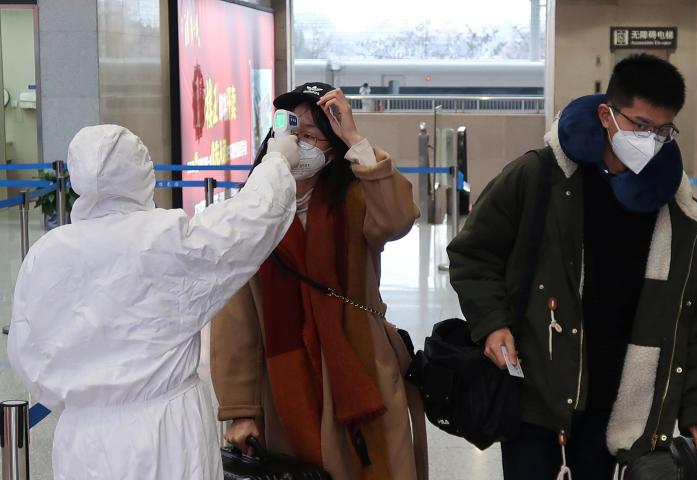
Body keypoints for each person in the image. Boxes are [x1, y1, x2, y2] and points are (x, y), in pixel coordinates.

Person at [447, 54, 697, 479]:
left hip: (623, 409)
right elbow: (473, 253)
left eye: (663, 130)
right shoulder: (539, 177)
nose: (650, 139)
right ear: (606, 114)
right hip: (538, 399)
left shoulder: (674, 207)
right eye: (640, 126)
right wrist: (492, 322)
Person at [7, 124, 300, 479]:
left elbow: (27, 354)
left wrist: (87, 398)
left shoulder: (47, 254)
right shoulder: (163, 239)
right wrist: (278, 160)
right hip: (166, 431)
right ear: (139, 173)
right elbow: (247, 223)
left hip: (83, 438)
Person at [210, 82, 425, 480]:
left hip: (363, 370)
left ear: (331, 151)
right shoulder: (250, 212)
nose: (298, 144)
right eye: (292, 133)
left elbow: (398, 218)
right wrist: (240, 411)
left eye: (311, 136)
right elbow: (234, 320)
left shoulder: (356, 200)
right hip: (286, 384)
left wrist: (355, 139)